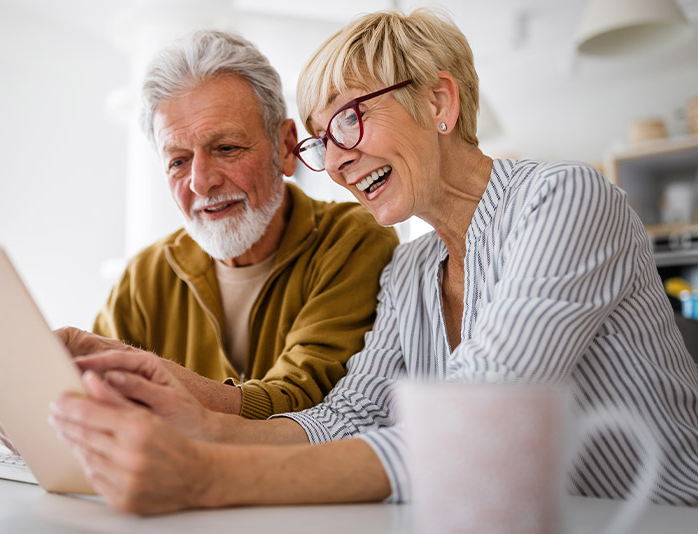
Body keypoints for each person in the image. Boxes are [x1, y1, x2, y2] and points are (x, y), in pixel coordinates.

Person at [46, 8, 698, 515]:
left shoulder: (563, 199)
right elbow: (344, 418)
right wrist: (203, 424)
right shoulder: (412, 269)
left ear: (439, 103)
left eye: (351, 120)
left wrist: (209, 474)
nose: (335, 162)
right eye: (323, 141)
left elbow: (469, 435)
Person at [80, 30, 398, 419]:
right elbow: (89, 402)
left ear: (285, 148)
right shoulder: (144, 277)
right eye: (178, 161)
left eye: (226, 148)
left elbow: (307, 403)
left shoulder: (351, 240)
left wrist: (149, 377)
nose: (201, 181)